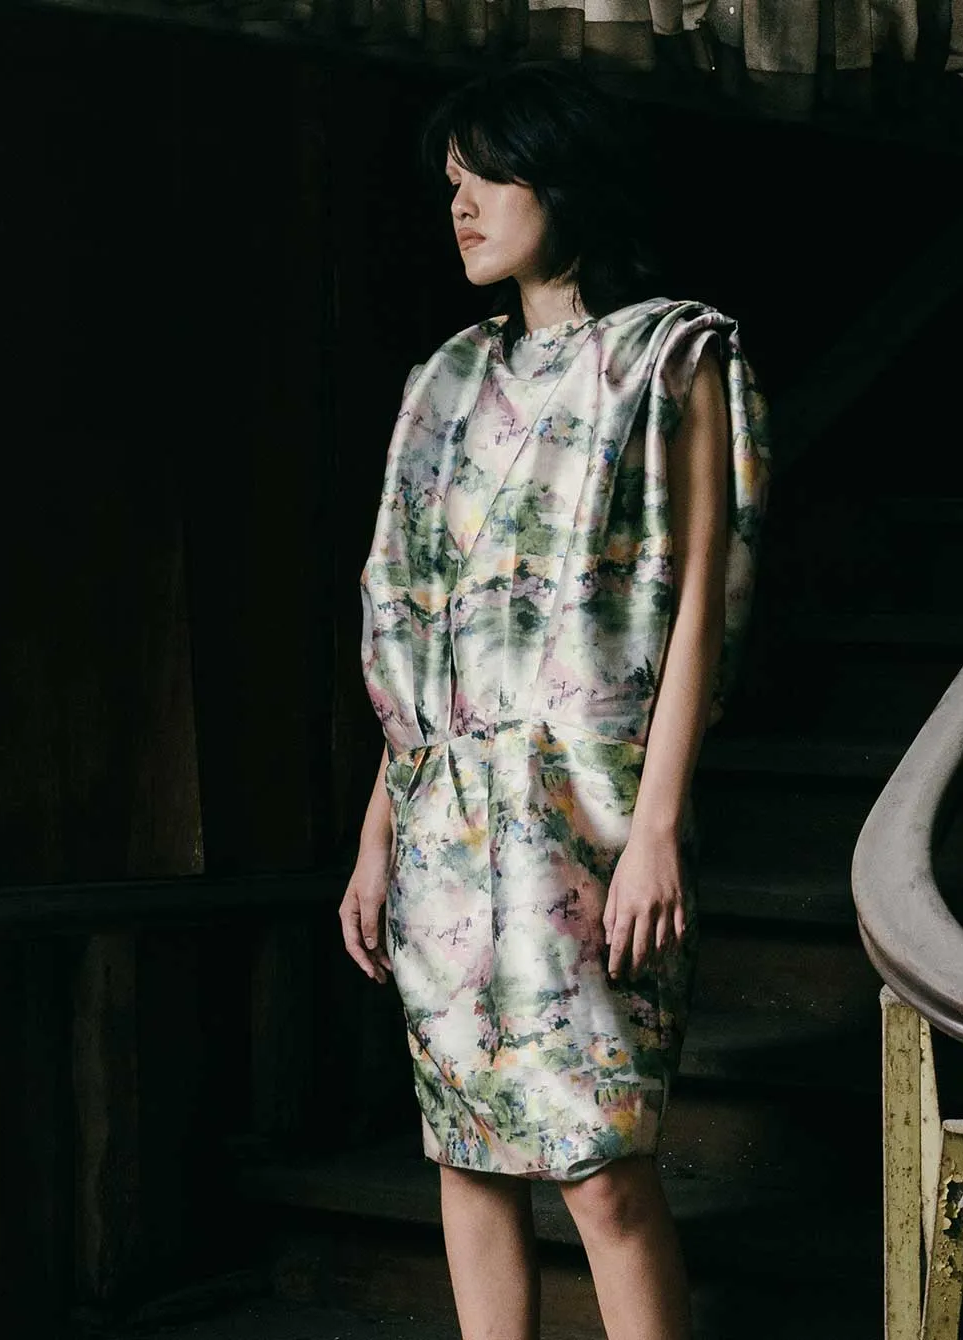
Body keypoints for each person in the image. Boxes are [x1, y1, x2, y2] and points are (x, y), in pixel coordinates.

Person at [336, 62, 770, 1340]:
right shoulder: (445, 383)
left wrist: (657, 829)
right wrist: (376, 833)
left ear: (564, 180)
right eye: (450, 181)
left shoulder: (671, 357)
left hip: (587, 810)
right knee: (466, 1153)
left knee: (600, 1163)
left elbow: (699, 606)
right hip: (441, 812)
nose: (460, 204)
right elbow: (425, 630)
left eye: (487, 174)